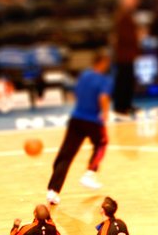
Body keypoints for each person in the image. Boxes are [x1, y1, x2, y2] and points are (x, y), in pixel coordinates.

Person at [46, 51, 112, 201]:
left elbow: (76, 93)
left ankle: (53, 190)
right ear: (102, 62)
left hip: (76, 118)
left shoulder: (84, 75)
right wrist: (106, 112)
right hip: (93, 120)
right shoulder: (104, 80)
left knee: (66, 155)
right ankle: (90, 173)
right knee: (102, 143)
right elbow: (103, 97)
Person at [111, 0, 141, 116]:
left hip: (129, 54)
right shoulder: (122, 16)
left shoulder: (128, 15)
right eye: (133, 0)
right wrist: (138, 35)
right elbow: (123, 36)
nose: (135, 2)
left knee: (129, 80)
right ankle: (120, 106)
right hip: (124, 54)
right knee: (123, 80)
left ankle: (127, 104)